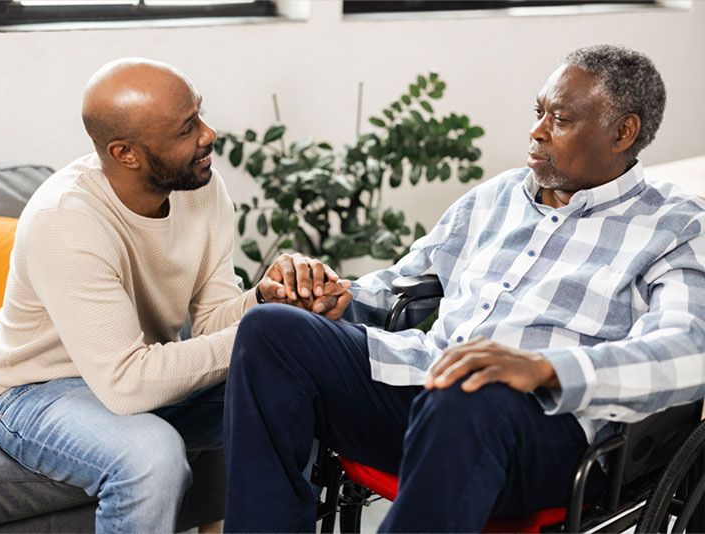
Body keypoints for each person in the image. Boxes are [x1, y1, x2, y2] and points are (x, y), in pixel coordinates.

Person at [222, 44, 705, 532]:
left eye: (559, 119)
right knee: (271, 330)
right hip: (427, 384)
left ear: (623, 132)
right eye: (538, 111)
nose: (537, 131)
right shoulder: (498, 196)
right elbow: (403, 284)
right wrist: (333, 297)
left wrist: (542, 368)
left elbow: (689, 351)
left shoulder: (675, 224)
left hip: (545, 429)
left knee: (468, 390)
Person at [0, 58, 349, 533]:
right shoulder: (66, 219)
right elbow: (127, 384)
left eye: (200, 114)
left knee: (299, 393)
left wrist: (267, 302)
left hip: (148, 374)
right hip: (39, 393)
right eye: (186, 128)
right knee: (151, 456)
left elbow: (212, 319)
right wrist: (267, 331)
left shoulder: (200, 187)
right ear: (126, 153)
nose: (209, 134)